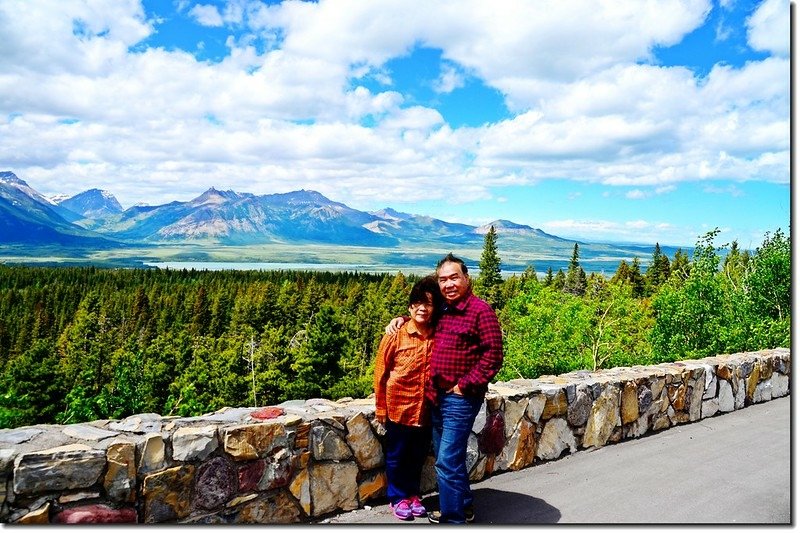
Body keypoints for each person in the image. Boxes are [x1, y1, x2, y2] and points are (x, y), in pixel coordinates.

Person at [387, 253, 504, 524]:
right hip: (436, 397)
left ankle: (453, 520)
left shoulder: (480, 311)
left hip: (460, 400)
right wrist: (401, 320)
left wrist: (465, 385)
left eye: (454, 277)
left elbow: (493, 356)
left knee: (446, 461)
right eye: (443, 279)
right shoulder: (444, 309)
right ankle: (463, 506)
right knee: (447, 457)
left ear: (466, 278)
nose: (449, 284)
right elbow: (421, 315)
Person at [373, 275, 442, 521]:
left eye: (429, 303)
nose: (422, 308)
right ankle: (397, 497)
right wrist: (380, 407)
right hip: (398, 407)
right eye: (417, 304)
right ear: (410, 307)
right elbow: (381, 373)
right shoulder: (395, 335)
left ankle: (413, 495)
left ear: (435, 307)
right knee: (396, 456)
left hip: (425, 409)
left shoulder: (439, 334)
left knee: (417, 456)